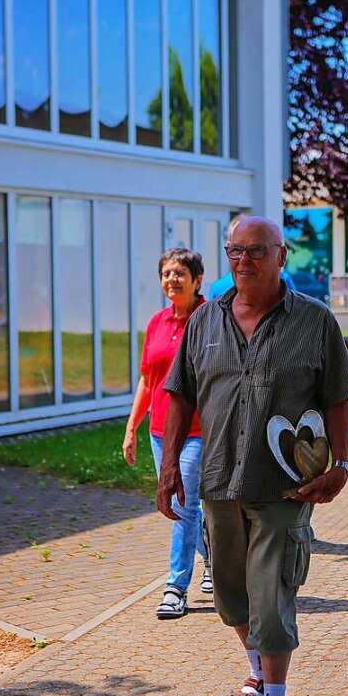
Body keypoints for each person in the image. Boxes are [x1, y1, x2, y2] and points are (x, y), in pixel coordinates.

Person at [159, 216, 348, 696]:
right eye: (234, 252)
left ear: (281, 255)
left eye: (255, 252)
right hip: (220, 480)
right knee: (230, 596)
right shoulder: (205, 322)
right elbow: (179, 395)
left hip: (286, 486)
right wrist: (168, 467)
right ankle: (258, 675)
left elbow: (340, 395)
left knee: (271, 596)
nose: (242, 262)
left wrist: (342, 464)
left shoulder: (314, 321)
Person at [122, 247, 211, 619]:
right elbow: (148, 379)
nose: (172, 280)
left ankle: (176, 587)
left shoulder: (210, 319)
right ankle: (214, 550)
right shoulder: (157, 322)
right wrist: (131, 428)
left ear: (197, 280)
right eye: (167, 274)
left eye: (180, 273)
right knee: (188, 510)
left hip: (197, 429)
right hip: (160, 432)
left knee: (181, 505)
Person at [207, 215, 297, 300]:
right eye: (237, 249)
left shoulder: (283, 280)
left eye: (255, 250)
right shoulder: (215, 294)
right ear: (229, 247)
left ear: (281, 255)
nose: (244, 259)